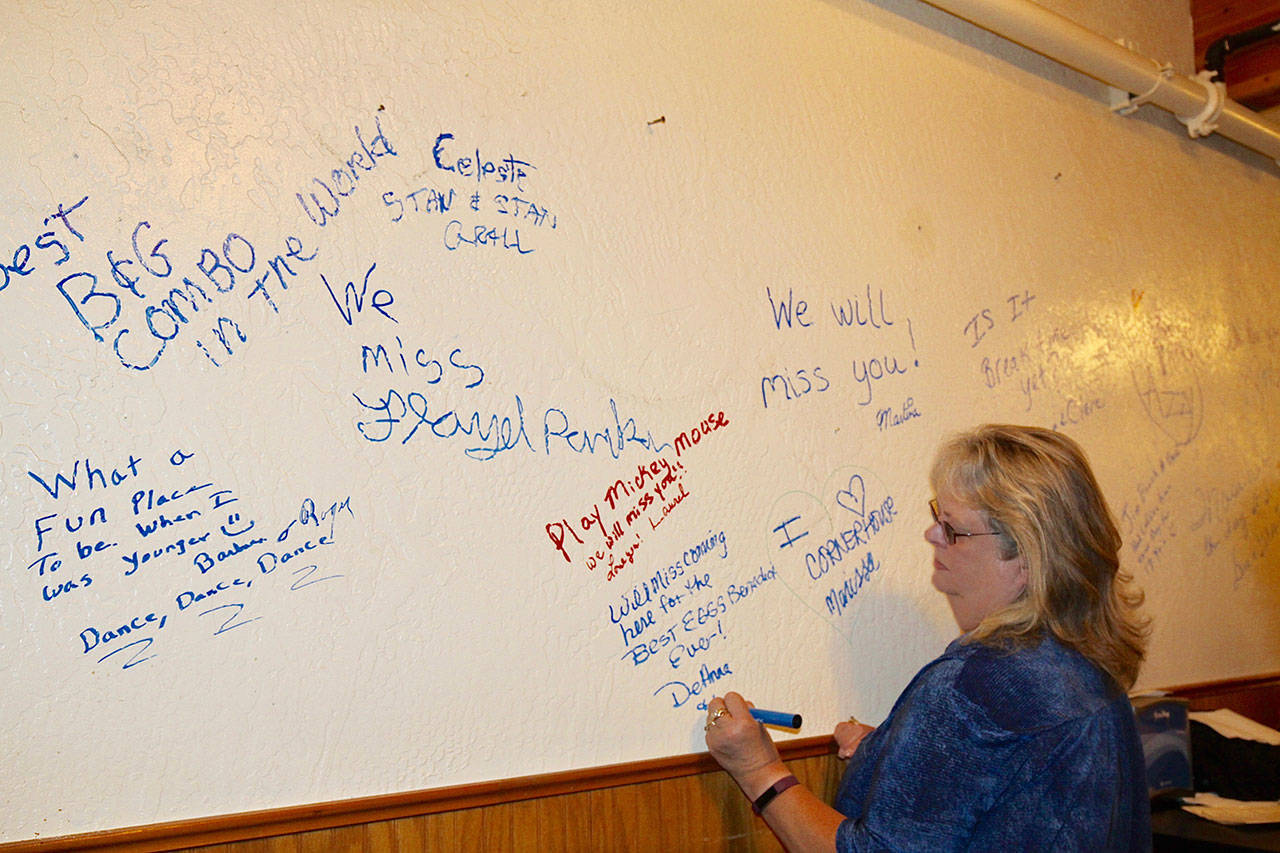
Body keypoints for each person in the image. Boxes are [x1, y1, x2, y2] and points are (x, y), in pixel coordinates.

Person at [705, 424, 1152, 851]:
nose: (931, 534)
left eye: (953, 530)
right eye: (938, 515)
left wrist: (759, 769)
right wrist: (896, 751)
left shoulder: (971, 689)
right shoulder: (1089, 668)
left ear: (1026, 560)